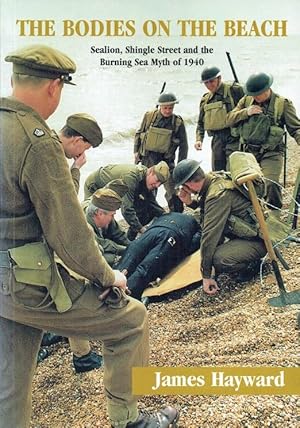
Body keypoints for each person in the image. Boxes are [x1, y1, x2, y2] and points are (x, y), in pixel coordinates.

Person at [0, 45, 178, 428]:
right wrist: (107, 275)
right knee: (131, 320)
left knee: (11, 381)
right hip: (25, 279)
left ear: (14, 79)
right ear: (54, 87)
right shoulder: (36, 139)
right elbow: (67, 231)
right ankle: (129, 420)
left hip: (5, 283)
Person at [39, 113, 104, 372]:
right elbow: (66, 203)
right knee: (70, 292)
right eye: (85, 147)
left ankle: (50, 339)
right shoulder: (51, 154)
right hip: (37, 237)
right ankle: (82, 356)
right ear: (77, 140)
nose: (83, 151)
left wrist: (75, 169)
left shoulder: (44, 143)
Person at [172, 159, 267, 296]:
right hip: (253, 232)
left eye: (183, 186)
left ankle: (253, 265)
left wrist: (206, 275)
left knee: (219, 259)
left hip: (260, 240)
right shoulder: (215, 179)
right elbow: (208, 211)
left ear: (188, 184)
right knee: (213, 251)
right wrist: (190, 203)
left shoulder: (217, 196)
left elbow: (209, 235)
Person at [226, 72, 300, 210]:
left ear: (267, 90)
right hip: (247, 152)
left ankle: (275, 212)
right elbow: (229, 119)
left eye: (257, 94)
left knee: (270, 183)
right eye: (252, 94)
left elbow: (295, 128)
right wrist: (246, 112)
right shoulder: (246, 101)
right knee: (242, 184)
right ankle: (252, 212)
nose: (254, 97)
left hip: (271, 152)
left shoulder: (282, 104)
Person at [116, 212, 201, 302]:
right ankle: (124, 297)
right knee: (146, 267)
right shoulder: (196, 226)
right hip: (172, 234)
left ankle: (108, 286)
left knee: (130, 256)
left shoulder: (169, 214)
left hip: (153, 231)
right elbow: (192, 245)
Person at [84, 162, 170, 240]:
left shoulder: (147, 180)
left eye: (161, 183)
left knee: (144, 209)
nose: (157, 185)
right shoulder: (131, 177)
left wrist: (168, 217)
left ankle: (127, 241)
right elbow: (126, 209)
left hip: (112, 190)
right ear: (150, 171)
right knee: (94, 221)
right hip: (95, 186)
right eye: (157, 180)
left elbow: (152, 204)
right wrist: (141, 229)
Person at [134, 92, 188, 212]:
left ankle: (176, 215)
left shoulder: (177, 122)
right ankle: (147, 216)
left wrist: (181, 165)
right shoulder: (149, 116)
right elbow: (139, 133)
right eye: (165, 108)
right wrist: (136, 152)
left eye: (171, 108)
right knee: (147, 191)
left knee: (173, 190)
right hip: (148, 159)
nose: (168, 111)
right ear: (160, 106)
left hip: (167, 161)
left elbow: (184, 145)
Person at [195, 66, 244, 171]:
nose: (209, 85)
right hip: (217, 140)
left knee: (233, 171)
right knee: (218, 173)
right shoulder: (205, 99)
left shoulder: (235, 90)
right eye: (206, 83)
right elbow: (200, 123)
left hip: (234, 137)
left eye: (211, 81)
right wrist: (199, 140)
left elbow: (248, 108)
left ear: (219, 78)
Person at [82, 181, 130, 267]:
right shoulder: (85, 226)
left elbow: (118, 234)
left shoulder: (97, 205)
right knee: (109, 258)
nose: (112, 218)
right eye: (112, 215)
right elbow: (102, 245)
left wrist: (132, 246)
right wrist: (125, 251)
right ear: (99, 213)